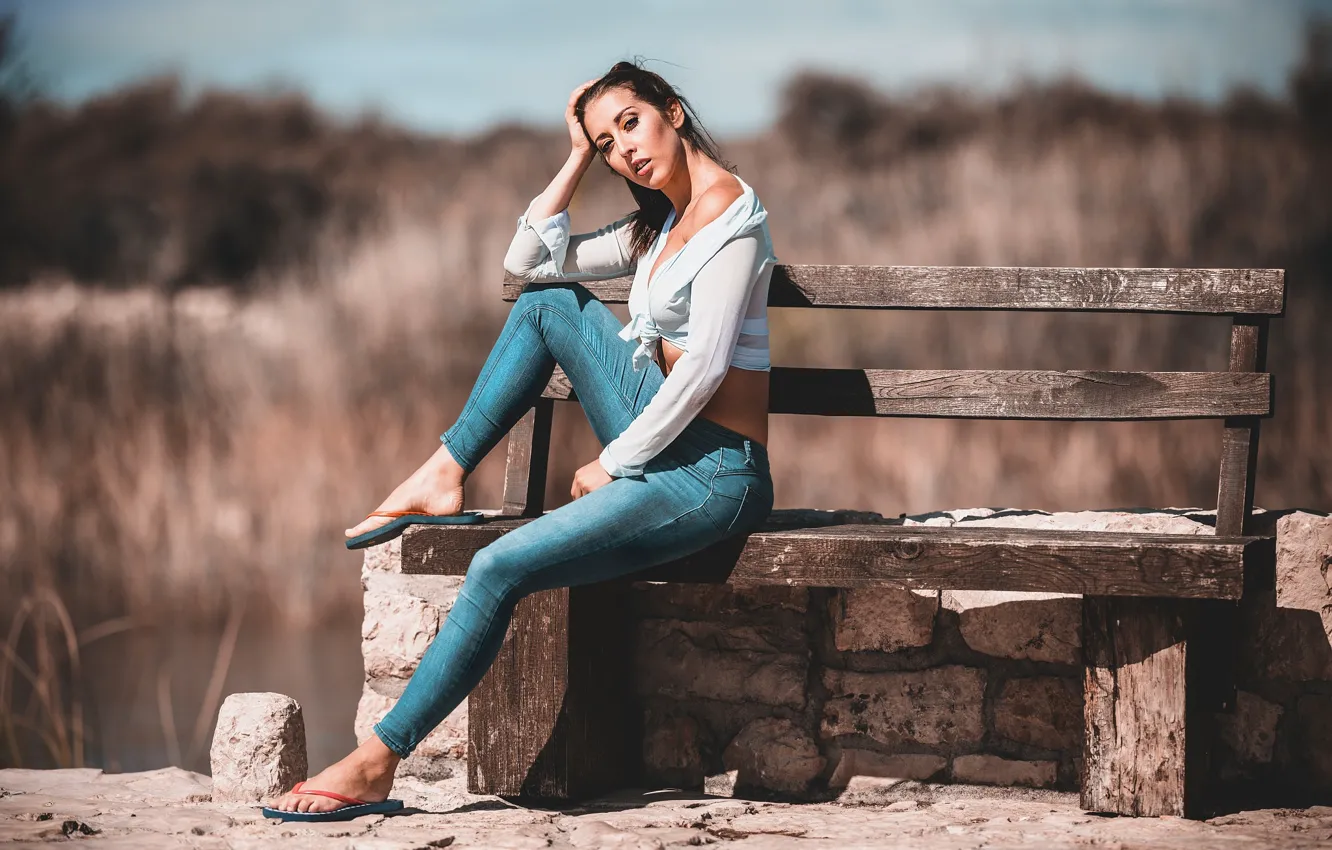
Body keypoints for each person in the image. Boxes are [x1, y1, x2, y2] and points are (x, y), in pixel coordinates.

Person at [264, 59, 778, 819]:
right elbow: (527, 266)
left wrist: (614, 460)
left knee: (499, 564)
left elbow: (702, 369)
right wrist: (571, 156)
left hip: (715, 475)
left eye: (630, 124)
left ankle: (377, 761)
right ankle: (445, 471)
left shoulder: (733, 213)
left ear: (672, 110)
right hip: (667, 447)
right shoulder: (660, 225)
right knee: (551, 306)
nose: (623, 150)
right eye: (607, 142)